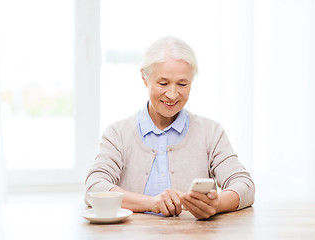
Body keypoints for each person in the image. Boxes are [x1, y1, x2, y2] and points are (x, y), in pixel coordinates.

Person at [85, 36, 255, 219]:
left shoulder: (211, 132)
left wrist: (216, 205)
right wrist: (151, 203)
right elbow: (94, 187)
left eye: (182, 84)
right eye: (163, 83)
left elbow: (245, 185)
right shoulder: (117, 134)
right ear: (144, 78)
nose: (172, 95)